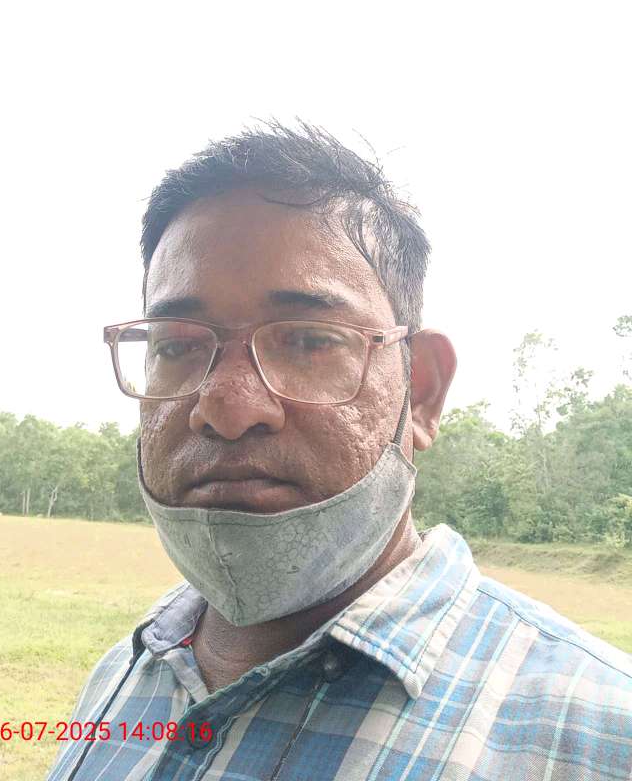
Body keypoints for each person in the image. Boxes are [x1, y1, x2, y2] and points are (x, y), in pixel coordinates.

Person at [47, 122, 632, 781]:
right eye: (176, 344)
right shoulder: (125, 675)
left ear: (421, 391)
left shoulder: (598, 739)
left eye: (307, 340)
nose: (228, 409)